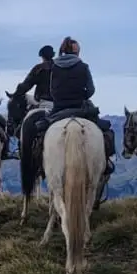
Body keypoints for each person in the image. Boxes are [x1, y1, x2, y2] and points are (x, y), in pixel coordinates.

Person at [46, 36, 117, 196]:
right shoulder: (83, 66)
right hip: (80, 107)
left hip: (59, 108)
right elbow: (91, 90)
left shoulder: (54, 67)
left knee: (41, 131)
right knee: (105, 131)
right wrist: (82, 94)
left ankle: (40, 163)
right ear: (76, 51)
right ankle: (106, 163)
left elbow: (52, 90)